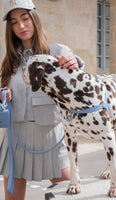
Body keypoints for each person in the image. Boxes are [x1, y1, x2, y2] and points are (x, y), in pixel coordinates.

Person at [0, 0, 84, 199]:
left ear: (34, 18)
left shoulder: (58, 52)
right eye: (13, 22)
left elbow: (79, 84)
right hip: (16, 138)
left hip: (50, 137)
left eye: (25, 18)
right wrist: (3, 96)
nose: (20, 26)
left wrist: (77, 63)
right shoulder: (8, 62)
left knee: (69, 192)